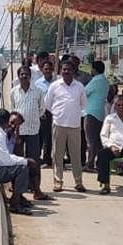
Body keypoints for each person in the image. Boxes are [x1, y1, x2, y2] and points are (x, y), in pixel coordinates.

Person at [0, 108, 39, 214]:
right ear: (6, 121)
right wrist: (26, 161)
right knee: (22, 169)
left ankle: (18, 198)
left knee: (21, 166)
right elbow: (6, 160)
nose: (13, 125)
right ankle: (15, 205)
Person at [43, 59, 87, 193]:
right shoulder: (54, 86)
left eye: (69, 69)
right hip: (59, 124)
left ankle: (78, 182)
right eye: (64, 69)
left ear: (74, 71)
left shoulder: (79, 86)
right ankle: (58, 182)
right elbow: (48, 104)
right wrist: (58, 114)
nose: (66, 72)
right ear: (60, 71)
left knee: (76, 155)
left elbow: (83, 105)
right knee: (57, 155)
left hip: (74, 126)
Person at [9, 66, 44, 164]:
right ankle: (21, 179)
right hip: (19, 131)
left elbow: (41, 109)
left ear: (30, 76)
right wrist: (15, 131)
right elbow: (12, 111)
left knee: (33, 160)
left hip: (33, 130)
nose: (24, 76)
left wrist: (33, 118)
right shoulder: (13, 92)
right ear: (18, 76)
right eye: (22, 74)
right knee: (18, 160)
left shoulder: (38, 91)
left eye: (26, 74)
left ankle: (33, 179)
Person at [83, 60, 108, 172]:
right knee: (97, 140)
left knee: (91, 140)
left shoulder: (95, 80)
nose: (90, 70)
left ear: (95, 69)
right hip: (100, 112)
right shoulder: (105, 81)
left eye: (92, 68)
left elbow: (84, 92)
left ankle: (90, 163)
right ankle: (99, 163)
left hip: (91, 112)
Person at [34, 59, 56, 167]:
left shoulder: (57, 82)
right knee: (40, 136)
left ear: (52, 70)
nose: (47, 71)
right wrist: (39, 112)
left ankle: (47, 159)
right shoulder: (37, 84)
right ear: (42, 70)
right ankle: (37, 158)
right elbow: (36, 99)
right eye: (45, 69)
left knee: (49, 137)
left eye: (49, 69)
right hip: (42, 112)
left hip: (55, 112)